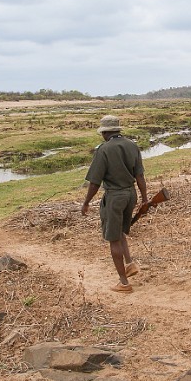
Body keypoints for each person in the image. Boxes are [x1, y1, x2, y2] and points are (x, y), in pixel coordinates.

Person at [82, 115, 149, 293]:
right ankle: (130, 264)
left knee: (113, 239)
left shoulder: (104, 149)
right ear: (118, 130)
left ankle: (124, 283)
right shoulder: (132, 145)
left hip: (114, 197)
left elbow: (95, 182)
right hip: (131, 194)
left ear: (105, 132)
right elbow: (140, 176)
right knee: (119, 231)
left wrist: (86, 202)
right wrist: (145, 198)